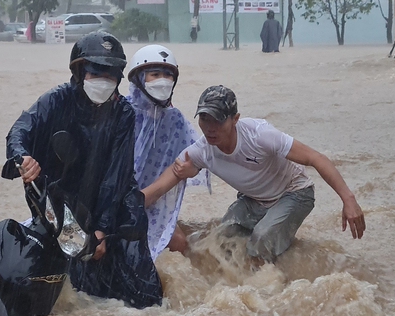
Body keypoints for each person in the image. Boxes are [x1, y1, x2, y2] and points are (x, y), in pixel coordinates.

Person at [2, 31, 163, 309]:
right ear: (79, 72)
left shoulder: (123, 113)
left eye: (111, 75)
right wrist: (23, 158)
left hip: (111, 202)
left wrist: (101, 229)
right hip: (63, 196)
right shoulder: (56, 100)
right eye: (95, 73)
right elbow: (20, 131)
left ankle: (145, 305)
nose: (103, 81)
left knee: (133, 223)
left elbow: (117, 174)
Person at [143, 85, 366, 265]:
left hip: (294, 193)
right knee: (221, 239)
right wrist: (130, 204)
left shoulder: (261, 136)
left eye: (218, 120)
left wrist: (348, 199)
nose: (210, 128)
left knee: (260, 240)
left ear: (235, 119)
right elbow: (162, 185)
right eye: (204, 119)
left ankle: (269, 286)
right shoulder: (201, 150)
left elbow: (316, 158)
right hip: (253, 199)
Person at [126, 44, 209, 260]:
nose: (162, 80)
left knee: (179, 244)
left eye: (168, 75)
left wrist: (192, 168)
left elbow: (199, 155)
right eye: (155, 74)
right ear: (140, 79)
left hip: (151, 201)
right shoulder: (119, 114)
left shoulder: (176, 121)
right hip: (114, 203)